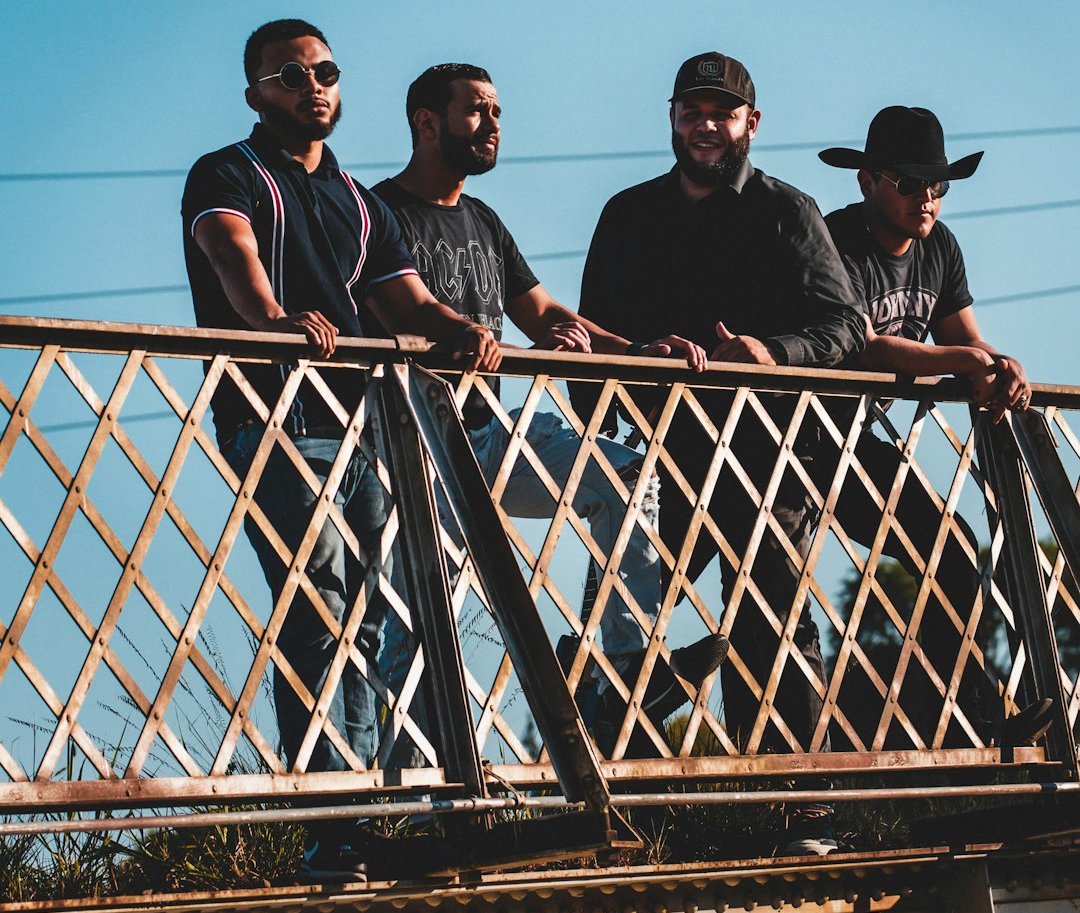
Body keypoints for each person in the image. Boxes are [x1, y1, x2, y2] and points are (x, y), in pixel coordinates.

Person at [182, 19, 500, 880]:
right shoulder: (229, 174)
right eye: (290, 75)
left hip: (366, 425)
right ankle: (336, 825)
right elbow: (230, 253)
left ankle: (380, 804)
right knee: (318, 611)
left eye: (324, 70)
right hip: (279, 420)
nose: (312, 85)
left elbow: (403, 296)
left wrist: (455, 328)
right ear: (257, 93)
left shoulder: (357, 199)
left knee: (374, 611)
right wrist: (273, 322)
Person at [370, 62, 727, 757]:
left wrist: (638, 349)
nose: (493, 124)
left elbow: (543, 315)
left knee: (623, 474)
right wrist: (456, 331)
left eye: (498, 111)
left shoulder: (483, 221)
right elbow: (407, 302)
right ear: (426, 122)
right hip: (413, 443)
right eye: (476, 111)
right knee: (428, 614)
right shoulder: (380, 212)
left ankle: (623, 670)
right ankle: (412, 790)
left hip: (485, 433)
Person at [578, 51, 866, 854]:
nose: (707, 126)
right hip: (660, 451)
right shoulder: (628, 214)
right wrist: (630, 384)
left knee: (772, 619)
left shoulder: (787, 211)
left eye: (723, 112)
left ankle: (800, 810)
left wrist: (770, 354)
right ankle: (609, 803)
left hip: (768, 453)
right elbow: (591, 333)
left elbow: (843, 329)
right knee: (622, 615)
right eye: (692, 111)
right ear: (672, 118)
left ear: (751, 123)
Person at [819, 104, 1051, 749]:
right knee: (724, 574)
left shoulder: (939, 249)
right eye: (910, 183)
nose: (927, 199)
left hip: (851, 443)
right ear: (868, 182)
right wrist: (962, 361)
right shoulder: (832, 242)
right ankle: (608, 690)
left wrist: (1001, 365)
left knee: (948, 552)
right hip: (783, 436)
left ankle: (965, 713)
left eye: (939, 186)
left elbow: (964, 337)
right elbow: (856, 344)